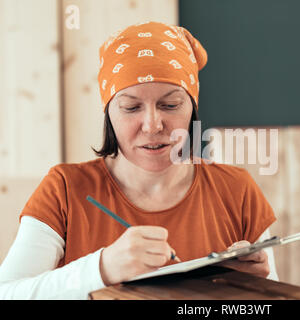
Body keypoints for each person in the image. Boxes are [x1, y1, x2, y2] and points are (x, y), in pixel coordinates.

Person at [0, 21, 278, 299]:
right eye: (131, 107)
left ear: (192, 107)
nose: (153, 125)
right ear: (109, 113)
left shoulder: (236, 189)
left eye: (170, 105)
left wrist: (248, 288)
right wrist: (102, 269)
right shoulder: (63, 189)